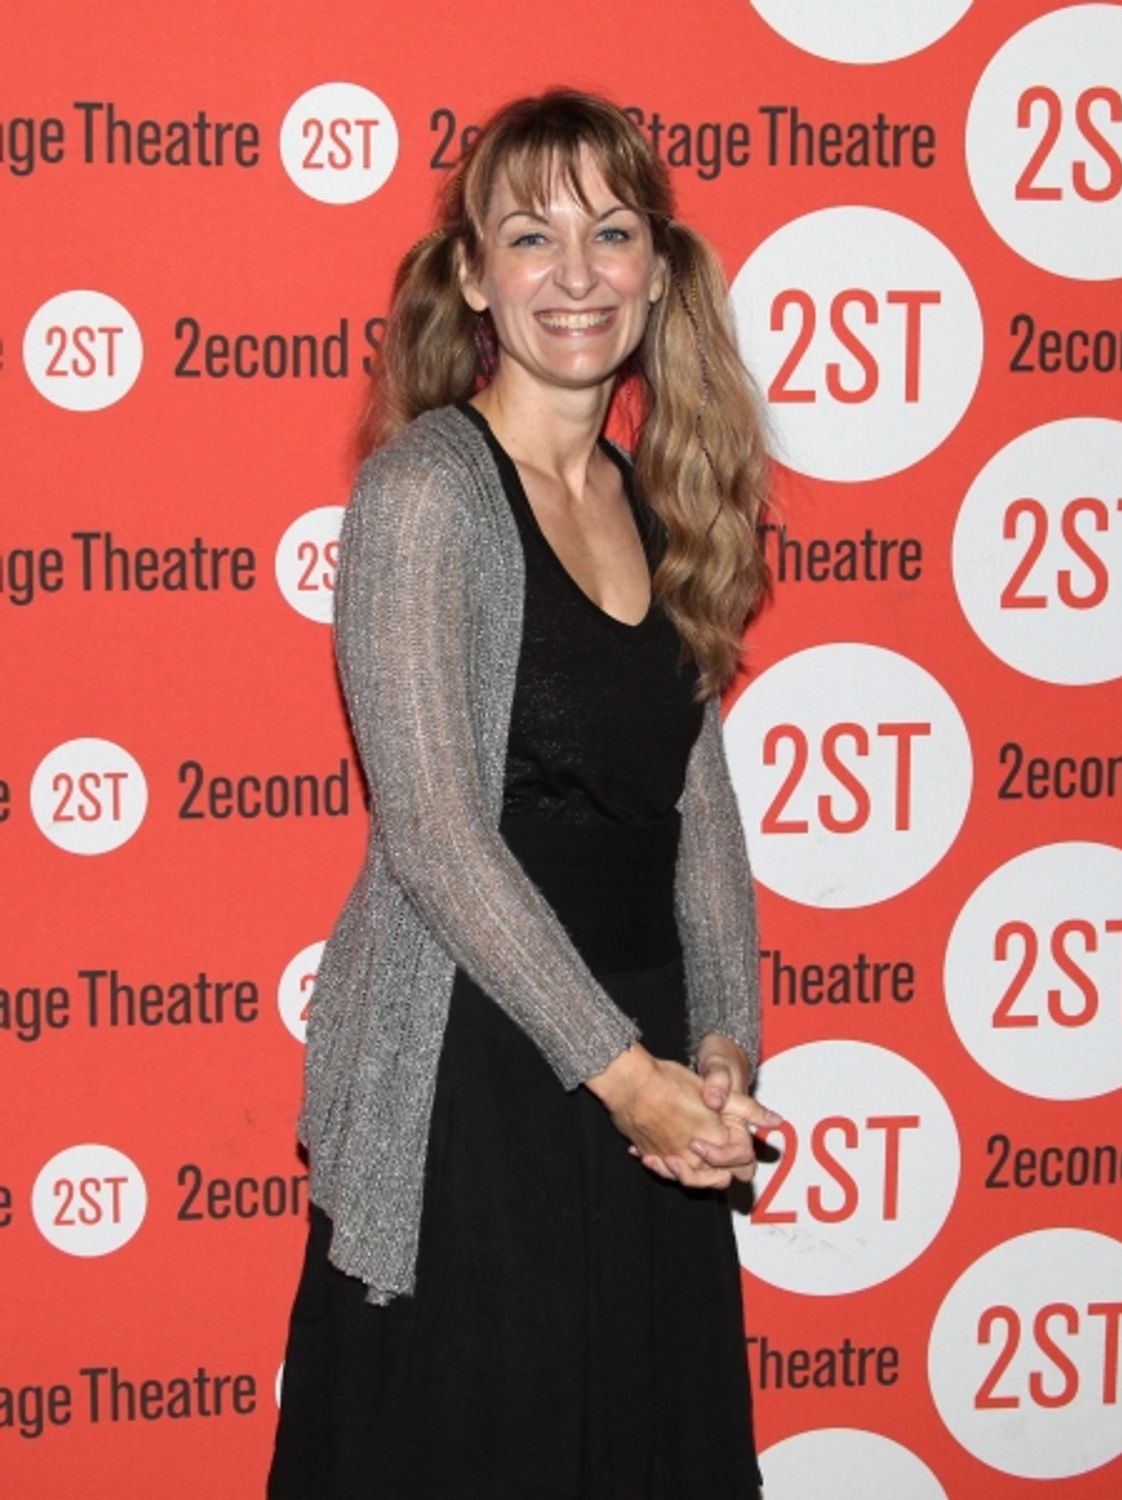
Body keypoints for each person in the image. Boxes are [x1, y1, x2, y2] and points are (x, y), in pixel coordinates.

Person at [268, 87, 780, 1499]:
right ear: (475, 274)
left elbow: (699, 811)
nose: (574, 274)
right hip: (475, 1073)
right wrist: (622, 1078)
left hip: (647, 1067)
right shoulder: (427, 493)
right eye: (531, 235)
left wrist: (722, 1049)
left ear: (659, 271)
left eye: (611, 234)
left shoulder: (658, 495)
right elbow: (433, 835)